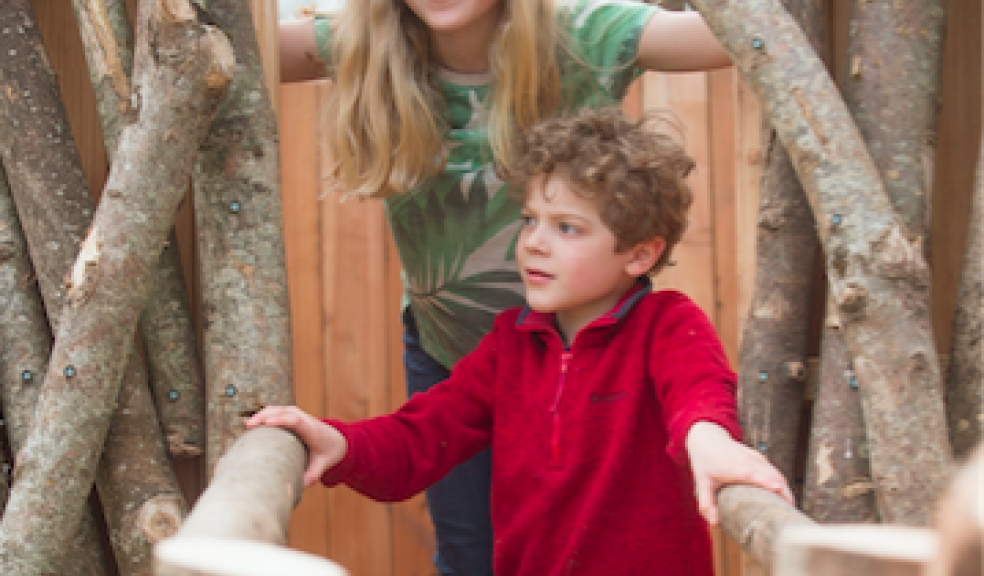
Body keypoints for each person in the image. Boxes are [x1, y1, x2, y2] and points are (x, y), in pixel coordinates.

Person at [278, 2, 734, 574]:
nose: (534, 243)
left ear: (640, 253)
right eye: (529, 220)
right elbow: (420, 439)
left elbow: (701, 395)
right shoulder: (509, 350)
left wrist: (710, 440)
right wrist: (339, 444)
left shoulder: (664, 326)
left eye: (567, 228)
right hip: (450, 346)